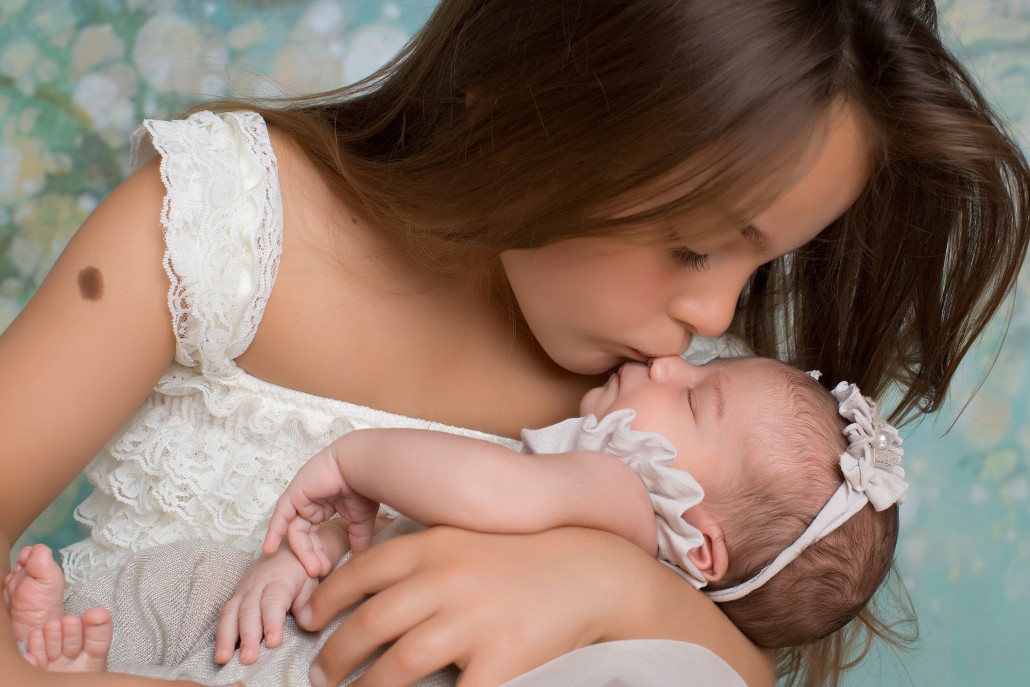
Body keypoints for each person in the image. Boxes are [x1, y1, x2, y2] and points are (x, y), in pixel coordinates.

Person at [1, 1, 1027, 686]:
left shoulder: (646, 423)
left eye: (759, 270)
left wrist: (612, 587)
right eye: (690, 247)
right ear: (526, 120)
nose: (716, 321)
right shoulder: (219, 229)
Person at [6, 354, 909, 678]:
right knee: (204, 586)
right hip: (335, 628)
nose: (671, 365)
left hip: (339, 655)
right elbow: (428, 524)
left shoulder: (625, 499)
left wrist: (350, 460)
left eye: (700, 397)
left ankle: (75, 646)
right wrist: (306, 550)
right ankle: (82, 653)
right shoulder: (626, 557)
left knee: (190, 593)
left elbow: (484, 493)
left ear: (702, 543)